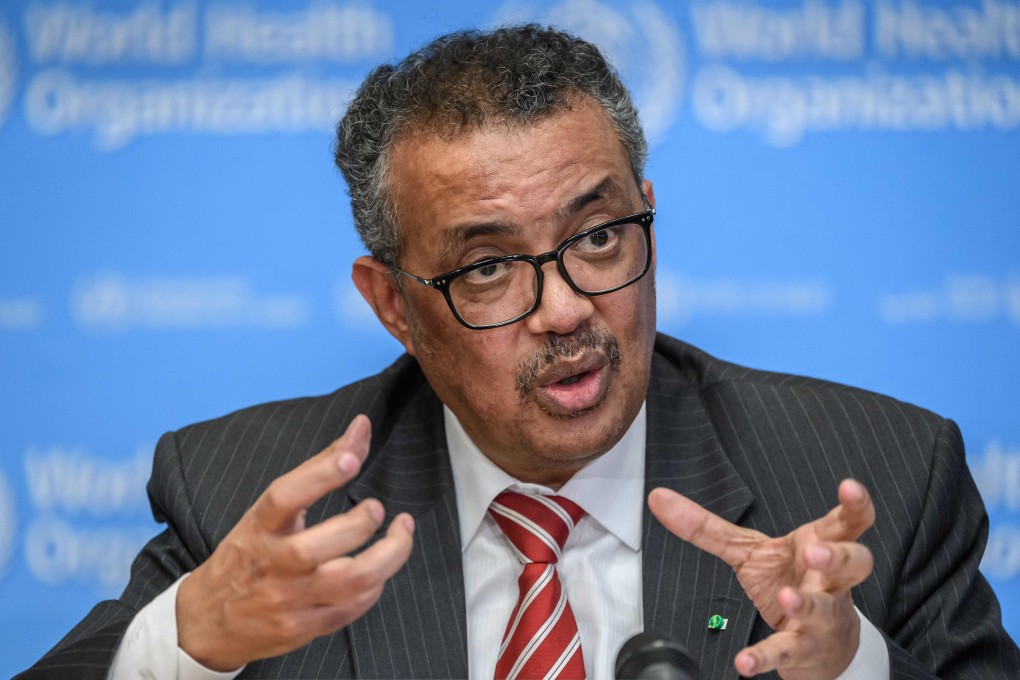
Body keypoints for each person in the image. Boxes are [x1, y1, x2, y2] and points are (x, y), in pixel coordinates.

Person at [18, 25, 1019, 680]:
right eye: (488, 268)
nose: (567, 308)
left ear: (648, 221)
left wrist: (853, 666)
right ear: (393, 305)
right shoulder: (247, 492)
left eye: (597, 237)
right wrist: (191, 640)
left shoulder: (884, 470)